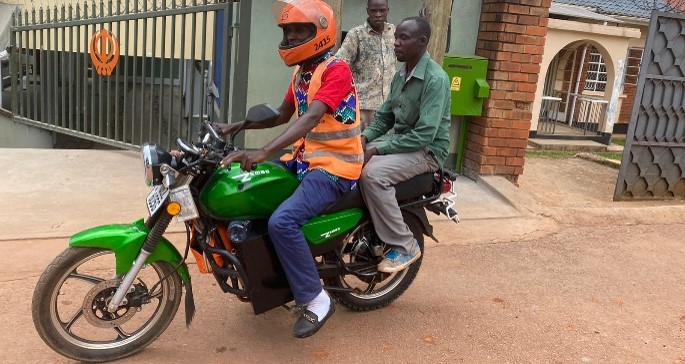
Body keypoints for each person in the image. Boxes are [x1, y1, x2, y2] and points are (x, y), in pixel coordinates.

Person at [218, 0, 363, 338]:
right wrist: (235, 125)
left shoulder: (336, 69)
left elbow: (312, 116)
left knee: (283, 221)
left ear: (321, 33)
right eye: (289, 31)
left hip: (334, 166)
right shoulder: (302, 73)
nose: (293, 37)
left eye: (301, 30)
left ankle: (316, 299)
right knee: (254, 191)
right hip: (304, 158)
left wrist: (263, 150)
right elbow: (282, 114)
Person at [360, 16, 451, 273]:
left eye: (404, 38)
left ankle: (404, 244)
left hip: (427, 150)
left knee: (373, 175)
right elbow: (385, 117)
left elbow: (424, 135)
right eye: (396, 37)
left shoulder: (436, 79)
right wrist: (364, 138)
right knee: (350, 158)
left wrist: (377, 148)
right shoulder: (401, 74)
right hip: (402, 142)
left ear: (422, 42)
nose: (396, 43)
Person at [335, 0, 396, 130]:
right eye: (374, 11)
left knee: (383, 148)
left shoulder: (393, 32)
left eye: (382, 11)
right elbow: (339, 65)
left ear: (388, 10)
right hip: (363, 107)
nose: (378, 14)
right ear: (367, 11)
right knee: (360, 146)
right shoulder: (356, 35)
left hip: (388, 107)